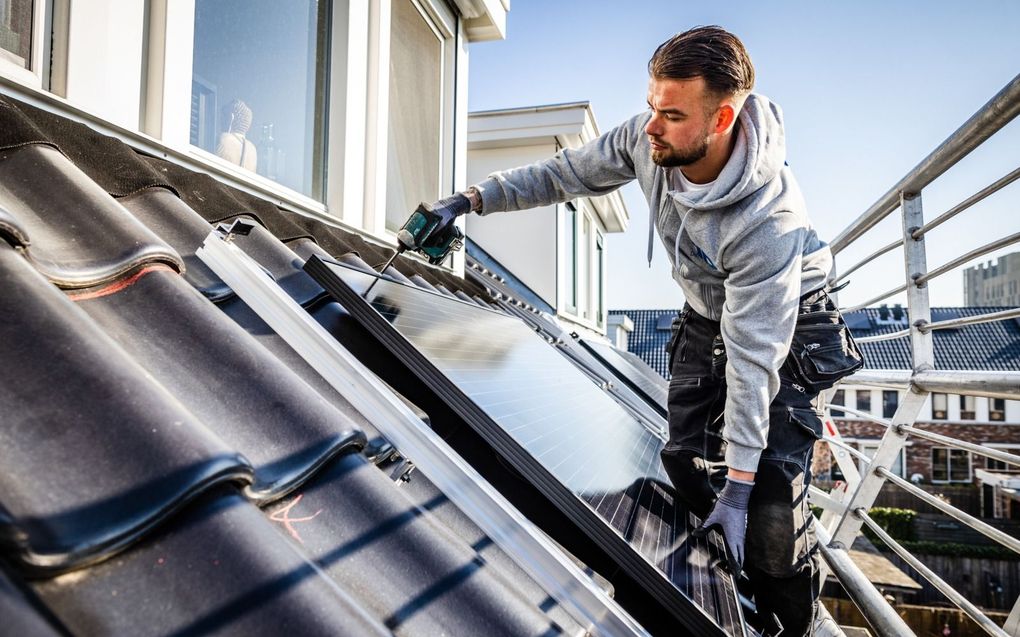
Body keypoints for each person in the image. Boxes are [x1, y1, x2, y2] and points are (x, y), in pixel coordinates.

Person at [417, 26, 843, 637]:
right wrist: (469, 200)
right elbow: (561, 174)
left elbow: (755, 360)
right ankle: (718, 581)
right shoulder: (648, 139)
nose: (651, 126)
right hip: (706, 304)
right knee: (683, 456)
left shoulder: (767, 221)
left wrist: (741, 491)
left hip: (790, 324)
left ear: (721, 118)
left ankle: (788, 617)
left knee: (771, 500)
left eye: (671, 115)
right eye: (651, 106)